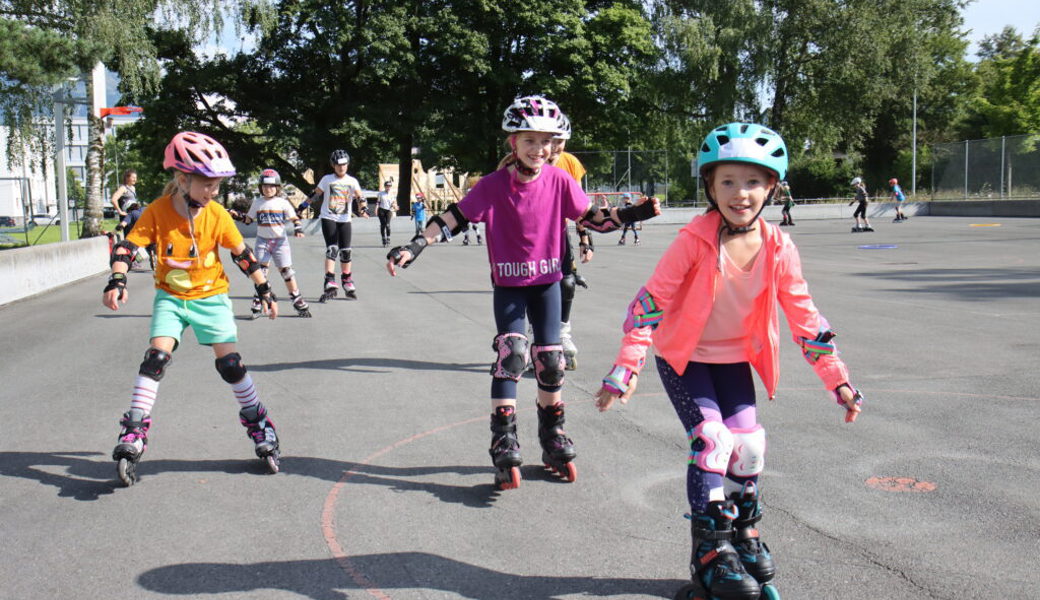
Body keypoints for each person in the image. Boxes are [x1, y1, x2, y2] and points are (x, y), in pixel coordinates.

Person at [595, 122, 864, 600]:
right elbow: (649, 304)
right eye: (728, 182)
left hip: (734, 359)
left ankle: (742, 533)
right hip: (685, 359)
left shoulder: (779, 247)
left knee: (750, 447)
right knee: (713, 440)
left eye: (753, 182)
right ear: (709, 186)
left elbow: (805, 316)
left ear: (772, 188)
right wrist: (626, 368)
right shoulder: (692, 241)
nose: (741, 193)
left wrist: (836, 379)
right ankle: (710, 551)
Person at [386, 95, 660, 490]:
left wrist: (633, 214)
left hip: (547, 283)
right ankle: (504, 437)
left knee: (551, 361)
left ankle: (552, 435)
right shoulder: (493, 186)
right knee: (512, 354)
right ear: (513, 143)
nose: (539, 149)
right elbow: (453, 218)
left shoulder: (561, 180)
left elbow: (594, 219)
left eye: (547, 142)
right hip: (510, 286)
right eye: (530, 140)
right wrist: (414, 246)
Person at [102, 131, 282, 486]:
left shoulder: (216, 215)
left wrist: (264, 289)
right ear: (182, 179)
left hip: (211, 296)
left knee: (231, 365)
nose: (213, 191)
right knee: (154, 358)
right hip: (170, 296)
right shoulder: (157, 211)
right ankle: (134, 430)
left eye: (217, 185)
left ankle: (259, 423)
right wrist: (117, 280)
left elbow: (242, 255)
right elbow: (127, 247)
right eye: (207, 184)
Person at [229, 168, 312, 318]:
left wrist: (298, 228)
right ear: (261, 188)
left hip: (280, 242)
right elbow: (248, 220)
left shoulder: (283, 202)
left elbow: (294, 218)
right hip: (262, 241)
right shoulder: (257, 203)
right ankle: (258, 299)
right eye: (265, 186)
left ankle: (296, 298)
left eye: (272, 186)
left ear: (277, 187)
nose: (268, 189)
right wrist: (237, 216)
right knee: (260, 272)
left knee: (286, 271)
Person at [549, 110, 592, 371]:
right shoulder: (517, 161)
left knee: (567, 283)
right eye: (548, 139)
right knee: (533, 286)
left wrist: (585, 238)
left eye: (559, 141)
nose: (553, 147)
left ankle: (562, 333)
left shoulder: (570, 164)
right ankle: (535, 335)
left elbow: (579, 205)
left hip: (558, 230)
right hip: (526, 236)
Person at [312, 149, 368, 301]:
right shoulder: (327, 179)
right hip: (328, 217)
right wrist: (302, 207)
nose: (341, 168)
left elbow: (360, 197)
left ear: (348, 165)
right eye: (338, 165)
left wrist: (363, 208)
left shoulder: (352, 181)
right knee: (332, 249)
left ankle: (346, 279)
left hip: (345, 219)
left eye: (344, 165)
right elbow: (316, 194)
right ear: (333, 165)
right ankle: (329, 279)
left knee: (346, 251)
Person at [376, 180, 397, 247]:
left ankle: (388, 237)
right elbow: (378, 202)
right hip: (381, 210)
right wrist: (376, 209)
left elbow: (394, 202)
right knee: (383, 225)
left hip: (389, 210)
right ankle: (383, 238)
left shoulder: (392, 194)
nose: (388, 187)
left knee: (387, 225)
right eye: (387, 186)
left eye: (389, 186)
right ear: (385, 186)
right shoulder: (380, 194)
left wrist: (395, 206)